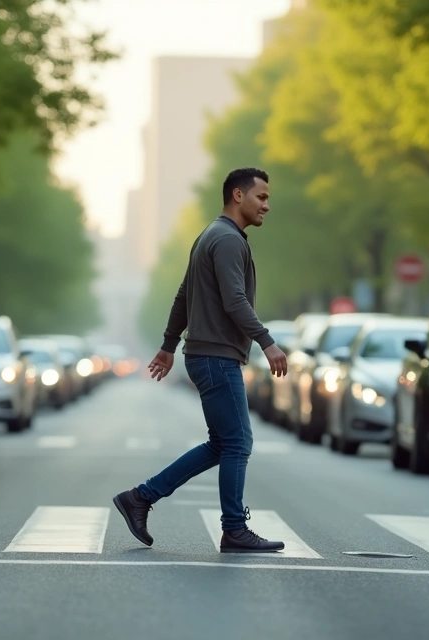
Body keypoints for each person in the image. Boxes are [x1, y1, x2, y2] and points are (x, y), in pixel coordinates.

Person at [112, 167, 289, 553]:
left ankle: (141, 497)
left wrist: (168, 344)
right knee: (238, 442)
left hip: (206, 353)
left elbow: (182, 296)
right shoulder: (226, 240)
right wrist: (267, 342)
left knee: (222, 444)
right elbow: (234, 300)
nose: (267, 206)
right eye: (261, 197)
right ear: (238, 196)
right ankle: (234, 529)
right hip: (215, 356)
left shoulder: (211, 235)